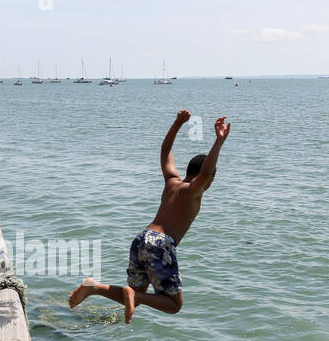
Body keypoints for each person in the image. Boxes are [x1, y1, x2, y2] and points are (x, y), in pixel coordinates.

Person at [69, 110, 229, 323]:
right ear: (206, 180)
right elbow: (207, 172)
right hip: (161, 243)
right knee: (173, 305)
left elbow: (165, 151)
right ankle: (131, 294)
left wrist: (178, 123)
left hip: (142, 238)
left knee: (137, 296)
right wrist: (219, 142)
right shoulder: (193, 191)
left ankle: (94, 287)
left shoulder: (172, 181)